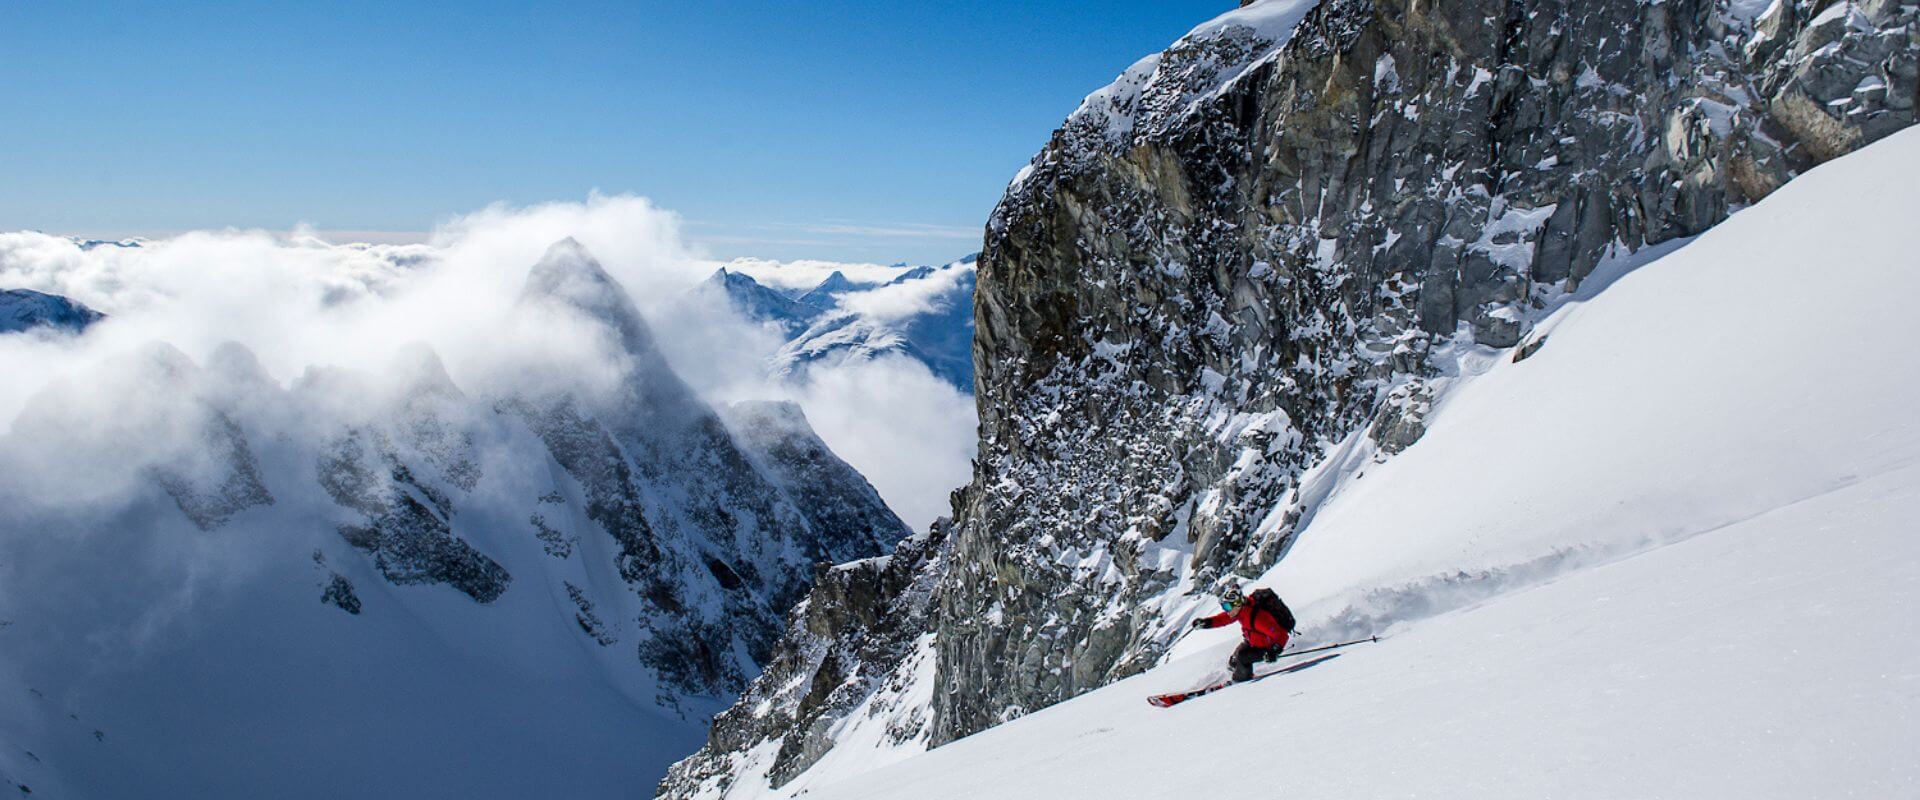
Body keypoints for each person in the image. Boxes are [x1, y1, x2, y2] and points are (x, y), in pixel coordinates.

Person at [1189, 583, 1294, 682]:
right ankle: (1238, 674)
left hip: (1267, 647)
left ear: (1237, 604)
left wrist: (1274, 651)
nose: (1227, 611)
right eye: (1225, 607)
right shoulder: (1241, 611)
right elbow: (1223, 619)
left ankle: (1240, 682)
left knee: (1243, 657)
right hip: (1252, 642)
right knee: (1234, 662)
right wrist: (1205, 623)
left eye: (1228, 607)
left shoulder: (1259, 618)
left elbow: (1281, 635)